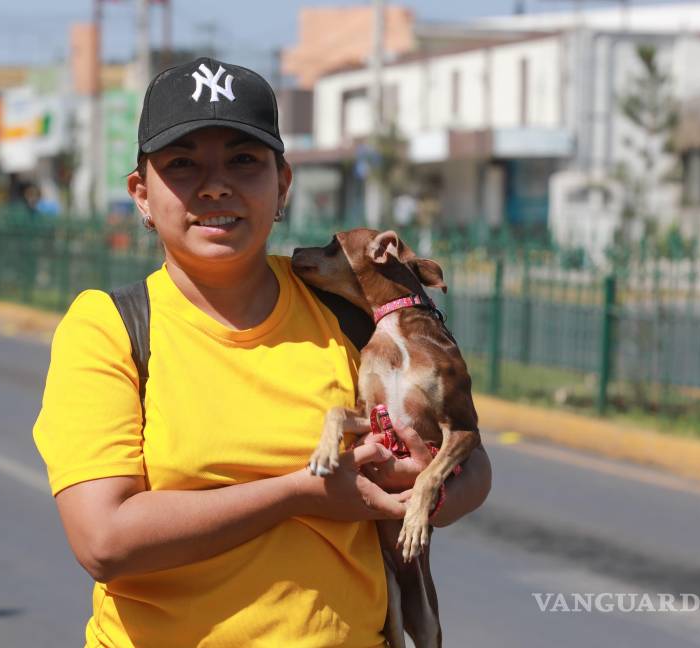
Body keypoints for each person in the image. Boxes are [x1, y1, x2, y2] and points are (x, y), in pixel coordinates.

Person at [33, 57, 491, 648]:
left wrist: (423, 486)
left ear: (282, 184)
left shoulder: (350, 313)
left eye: (244, 161)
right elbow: (105, 541)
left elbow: (472, 462)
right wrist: (301, 493)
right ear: (141, 195)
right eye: (183, 164)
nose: (216, 184)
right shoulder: (111, 327)